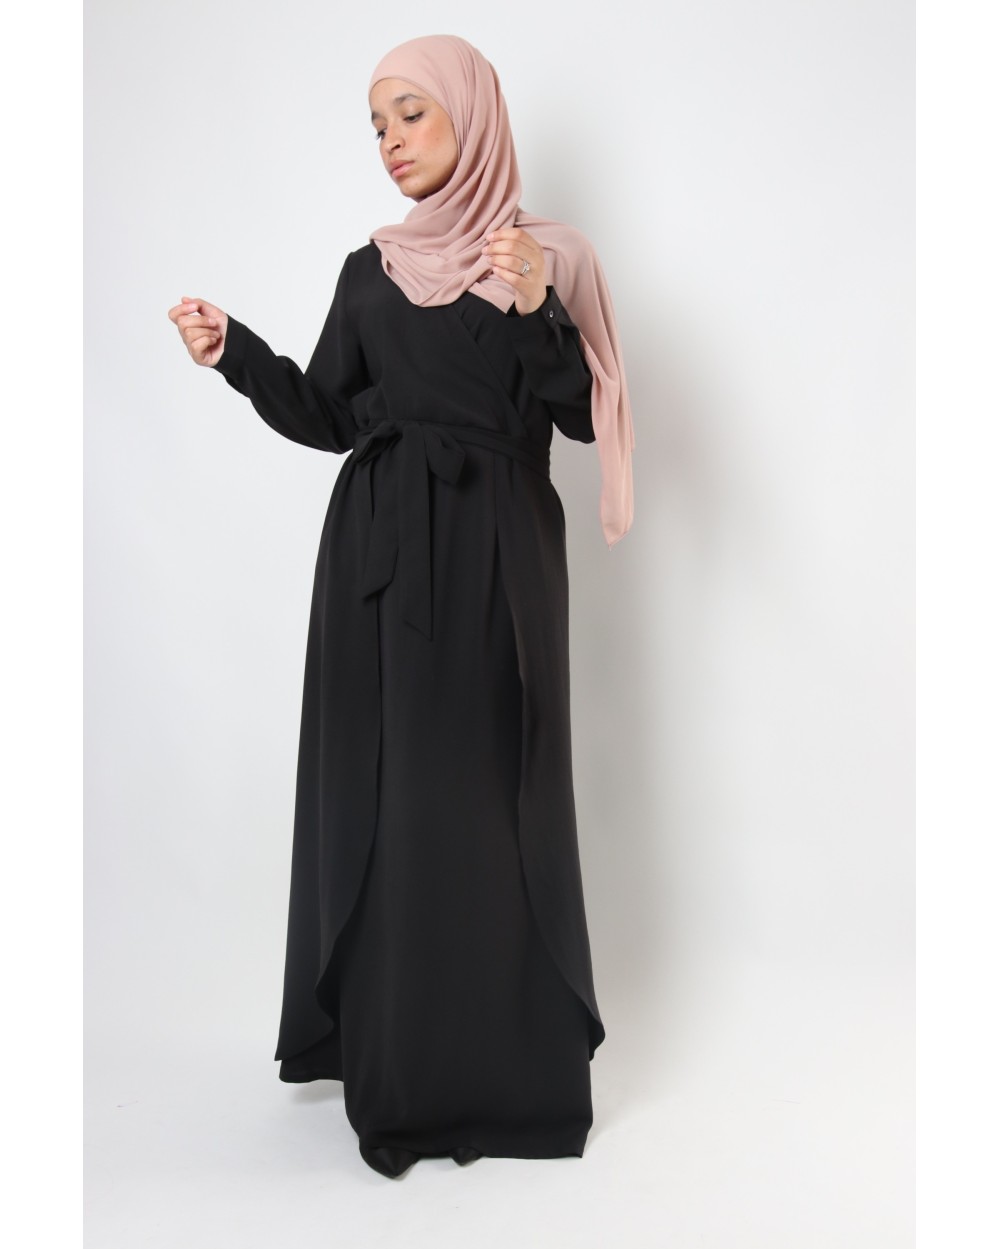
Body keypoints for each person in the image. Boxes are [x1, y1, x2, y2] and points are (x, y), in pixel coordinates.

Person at [167, 33, 634, 1180]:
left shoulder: (547, 257)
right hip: (377, 561)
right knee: (395, 802)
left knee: (494, 792)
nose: (389, 141)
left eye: (410, 113)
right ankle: (403, 1073)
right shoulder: (368, 273)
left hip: (500, 554)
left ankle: (511, 1076)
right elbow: (331, 414)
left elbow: (583, 415)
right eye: (376, 123)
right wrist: (237, 355)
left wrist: (535, 306)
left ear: (473, 116)